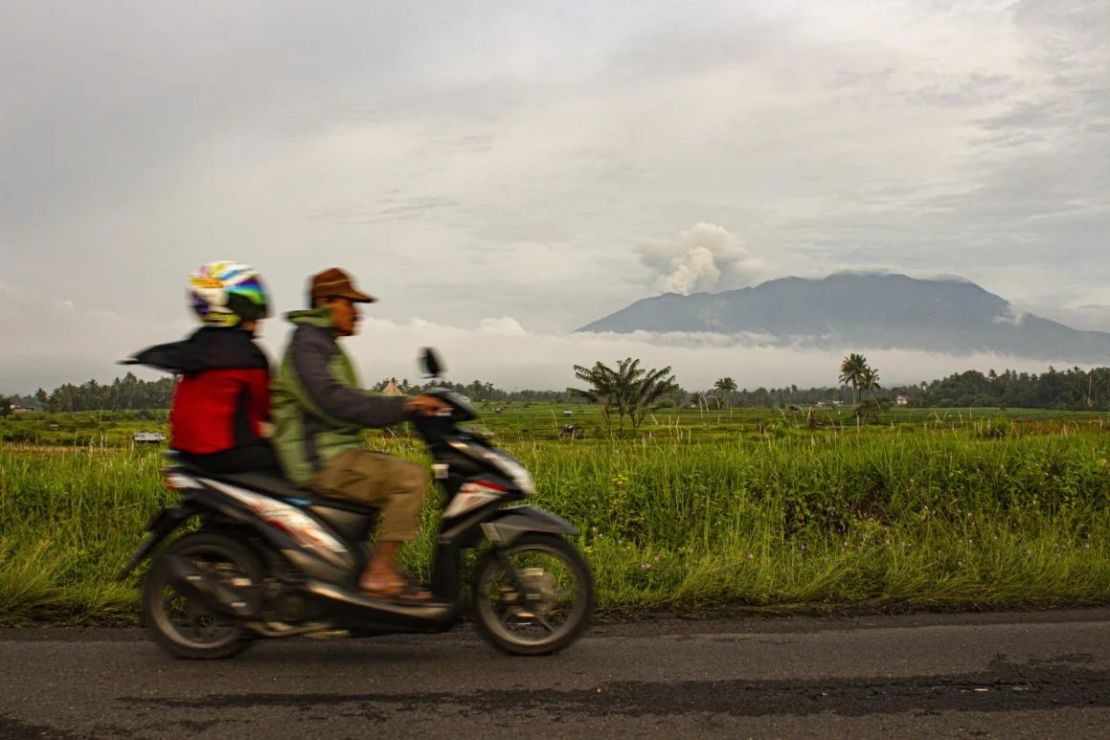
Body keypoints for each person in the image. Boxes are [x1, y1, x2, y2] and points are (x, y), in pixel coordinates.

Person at [271, 267, 449, 602]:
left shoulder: (321, 344)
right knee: (408, 478)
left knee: (390, 469)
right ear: (325, 303)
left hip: (334, 452)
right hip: (321, 460)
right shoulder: (308, 346)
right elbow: (335, 401)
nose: (357, 312)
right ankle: (380, 573)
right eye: (349, 303)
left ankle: (359, 567)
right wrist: (404, 406)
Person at [129, 261, 280, 476]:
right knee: (293, 465)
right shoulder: (248, 354)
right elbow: (268, 407)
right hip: (226, 453)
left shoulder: (195, 344)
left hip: (185, 451)